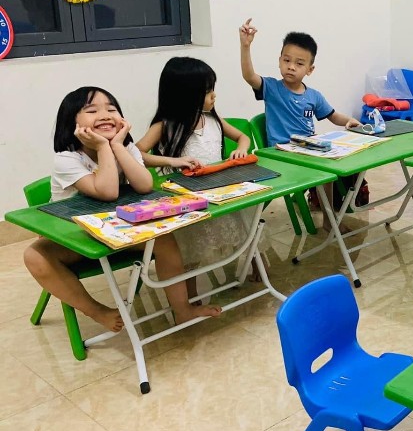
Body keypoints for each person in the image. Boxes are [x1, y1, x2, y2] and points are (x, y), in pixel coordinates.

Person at [23, 87, 221, 333]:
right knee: (34, 256)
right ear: (71, 123)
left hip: (119, 230)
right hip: (77, 237)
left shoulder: (124, 148)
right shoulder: (67, 159)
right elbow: (107, 191)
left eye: (112, 109)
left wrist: (117, 145)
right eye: (92, 110)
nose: (105, 115)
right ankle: (96, 311)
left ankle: (183, 310)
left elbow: (144, 185)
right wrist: (103, 147)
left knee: (164, 239)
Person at [137, 57, 259, 297]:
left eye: (213, 89)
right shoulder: (165, 126)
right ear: (185, 94)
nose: (214, 96)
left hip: (219, 191)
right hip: (187, 200)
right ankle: (190, 297)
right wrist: (172, 161)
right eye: (207, 91)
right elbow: (136, 154)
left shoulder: (213, 119)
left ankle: (256, 267)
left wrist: (241, 149)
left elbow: (243, 137)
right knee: (190, 250)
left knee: (243, 227)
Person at [239, 18, 360, 212]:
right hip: (281, 152)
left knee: (336, 166)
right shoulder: (271, 88)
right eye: (286, 60)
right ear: (279, 61)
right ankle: (325, 214)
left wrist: (350, 121)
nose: (291, 67)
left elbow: (333, 115)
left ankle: (329, 217)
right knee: (325, 169)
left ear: (310, 70)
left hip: (308, 149)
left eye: (299, 63)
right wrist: (245, 46)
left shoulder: (313, 96)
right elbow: (248, 76)